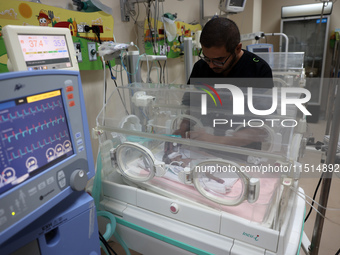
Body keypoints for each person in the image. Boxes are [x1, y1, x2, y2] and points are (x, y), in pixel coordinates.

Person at [176, 17, 274, 148]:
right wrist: (182, 130)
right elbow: (190, 107)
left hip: (242, 151)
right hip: (202, 145)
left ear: (237, 48)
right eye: (206, 58)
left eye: (219, 59)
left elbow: (263, 127)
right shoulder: (200, 67)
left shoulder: (258, 69)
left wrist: (218, 141)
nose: (211, 65)